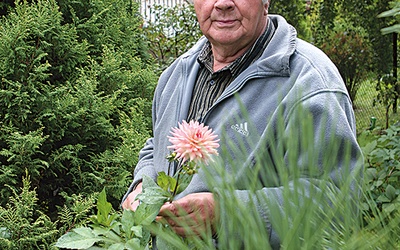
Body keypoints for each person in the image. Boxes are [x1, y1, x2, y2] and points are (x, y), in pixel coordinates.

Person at [122, 0, 363, 248]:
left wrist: (227, 214)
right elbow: (157, 146)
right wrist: (143, 184)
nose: (223, 4)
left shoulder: (310, 83)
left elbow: (336, 207)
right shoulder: (176, 74)